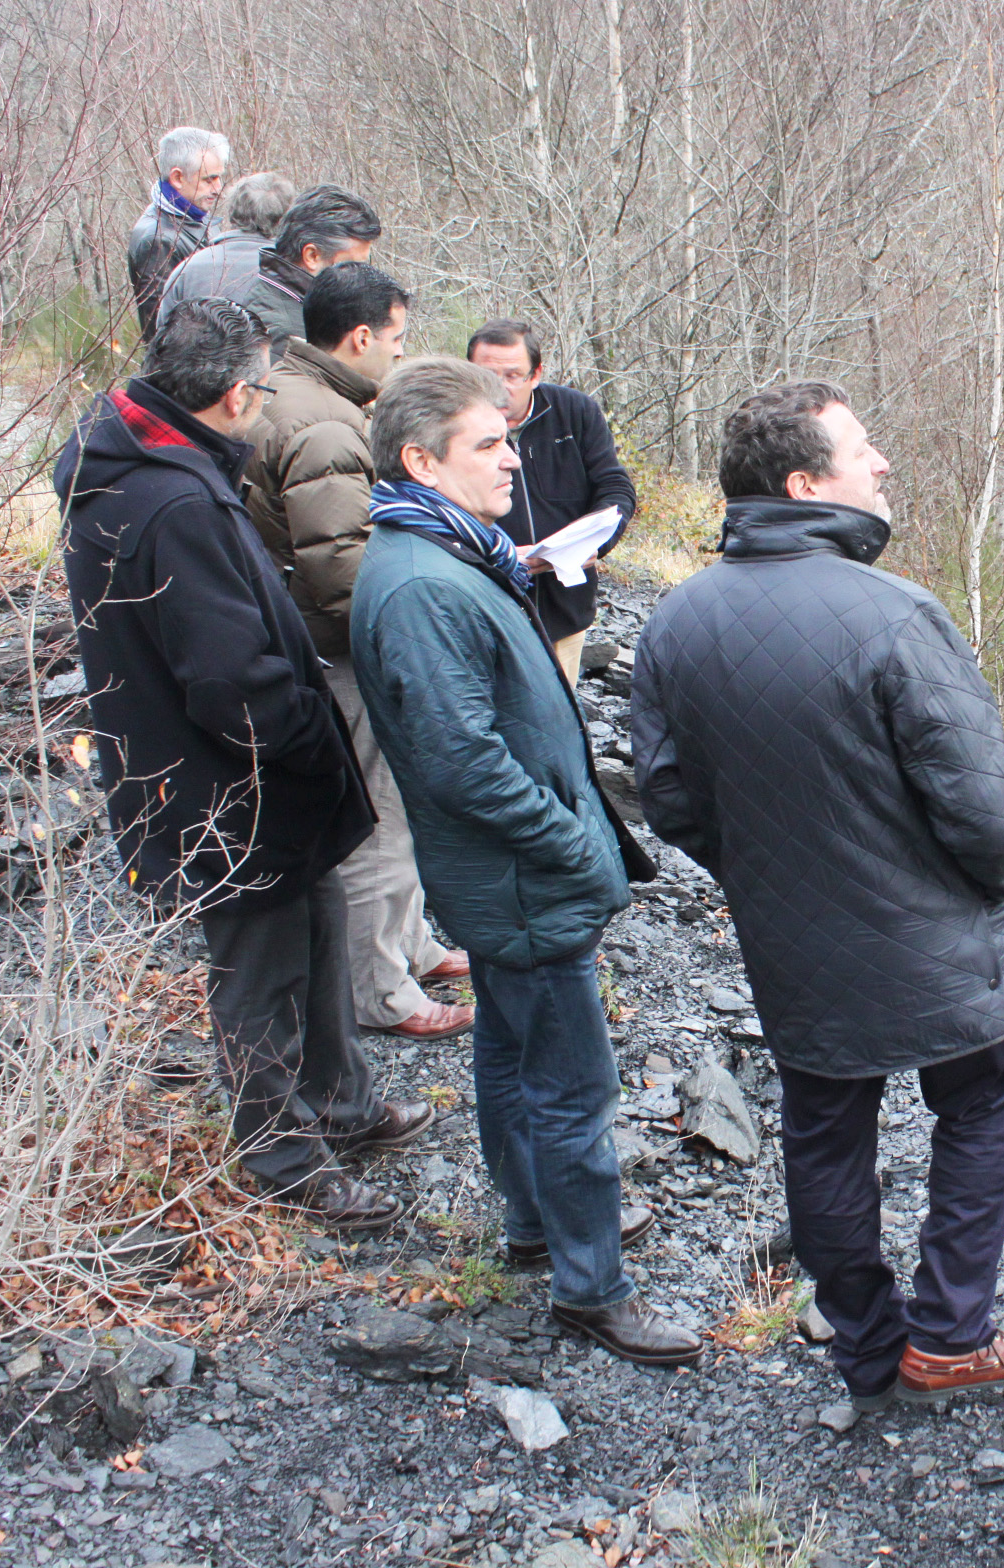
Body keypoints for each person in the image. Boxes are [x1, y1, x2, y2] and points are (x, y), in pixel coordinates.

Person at [628, 381, 1004, 1407]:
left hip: (791, 933)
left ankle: (864, 1334)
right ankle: (949, 1332)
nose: (885, 465)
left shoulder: (675, 619)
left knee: (823, 1123)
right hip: (933, 932)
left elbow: (669, 797)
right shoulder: (897, 614)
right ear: (805, 483)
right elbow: (989, 815)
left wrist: (763, 870)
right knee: (985, 1095)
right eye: (864, 450)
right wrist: (983, 891)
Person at [349, 358, 700, 1366]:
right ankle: (593, 1287)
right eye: (489, 443)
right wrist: (573, 837)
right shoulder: (419, 582)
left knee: (509, 1052)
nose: (514, 455)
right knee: (572, 1086)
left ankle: (535, 1225)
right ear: (420, 459)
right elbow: (463, 761)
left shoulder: (445, 551)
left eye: (509, 436)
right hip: (519, 874)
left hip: (509, 875)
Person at [54, 298, 429, 1230]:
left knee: (320, 923)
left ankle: (341, 1101)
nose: (266, 401)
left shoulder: (148, 462)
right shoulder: (172, 500)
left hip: (217, 776)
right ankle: (281, 1153)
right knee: (259, 968)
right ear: (231, 397)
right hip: (223, 789)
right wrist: (311, 738)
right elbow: (231, 680)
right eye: (261, 386)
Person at [243, 262, 474, 1044]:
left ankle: (411, 947)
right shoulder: (327, 427)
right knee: (378, 814)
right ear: (362, 336)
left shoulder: (288, 392)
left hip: (308, 640)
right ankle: (382, 989)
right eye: (398, 339)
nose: (399, 356)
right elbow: (340, 567)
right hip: (338, 650)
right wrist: (396, 652)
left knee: (394, 808)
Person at [465, 320, 639, 683]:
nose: (499, 389)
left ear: (536, 374)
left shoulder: (575, 412)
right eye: (486, 376)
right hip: (484, 609)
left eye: (513, 375)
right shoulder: (450, 426)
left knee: (558, 722)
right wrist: (501, 557)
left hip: (565, 608)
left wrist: (594, 541)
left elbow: (615, 487)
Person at [244, 185, 382, 356]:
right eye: (351, 266)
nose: (360, 278)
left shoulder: (309, 306)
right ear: (312, 256)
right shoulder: (285, 336)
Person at [155, 172, 297, 332]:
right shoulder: (297, 273)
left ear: (233, 211)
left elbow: (162, 345)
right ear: (286, 219)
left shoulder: (186, 271)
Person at [126, 127, 228, 344]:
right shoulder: (156, 240)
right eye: (209, 179)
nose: (218, 188)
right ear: (178, 178)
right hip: (190, 369)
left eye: (219, 177)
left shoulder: (199, 217)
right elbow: (164, 333)